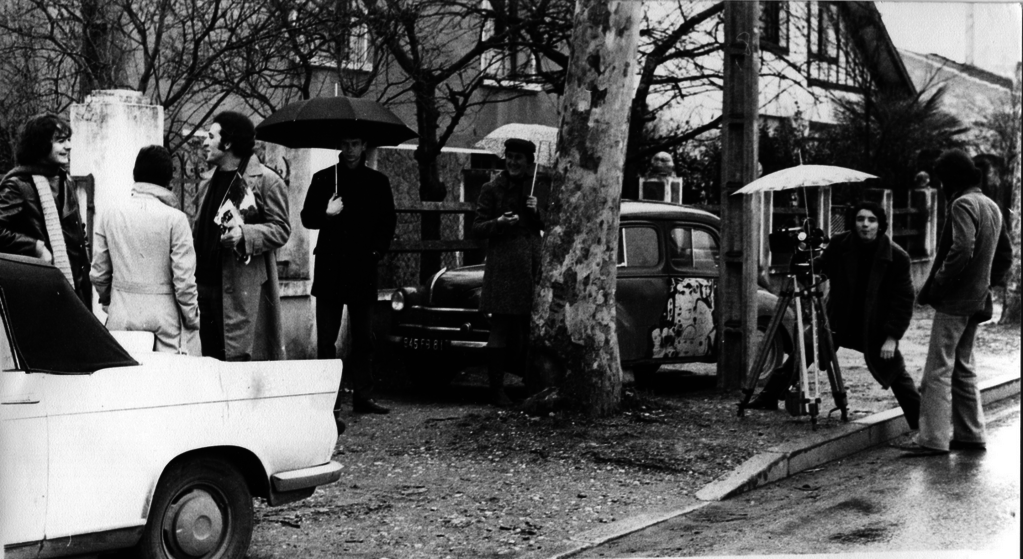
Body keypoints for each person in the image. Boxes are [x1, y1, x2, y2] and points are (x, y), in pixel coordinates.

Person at [749, 201, 921, 431]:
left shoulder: (897, 256)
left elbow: (904, 300)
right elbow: (820, 268)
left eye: (871, 220)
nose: (865, 225)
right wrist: (803, 259)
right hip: (838, 321)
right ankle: (769, 396)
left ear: (880, 225)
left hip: (874, 326)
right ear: (854, 222)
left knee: (895, 370)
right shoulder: (841, 243)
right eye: (860, 219)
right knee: (805, 349)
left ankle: (922, 425)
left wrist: (892, 337)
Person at [896, 149, 1012, 455]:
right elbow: (1005, 256)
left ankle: (932, 439)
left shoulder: (962, 203)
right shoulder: (991, 205)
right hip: (977, 300)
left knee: (936, 370)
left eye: (943, 178)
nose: (941, 184)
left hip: (956, 301)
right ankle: (971, 434)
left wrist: (939, 284)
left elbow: (962, 248)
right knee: (963, 367)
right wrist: (984, 283)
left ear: (952, 178)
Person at [301, 135, 396, 415]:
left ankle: (363, 396)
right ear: (338, 147)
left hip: (363, 268)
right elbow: (307, 217)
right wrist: (327, 213)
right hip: (331, 267)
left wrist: (377, 251)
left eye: (355, 144)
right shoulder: (323, 179)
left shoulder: (378, 182)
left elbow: (387, 220)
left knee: (364, 337)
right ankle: (327, 399)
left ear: (364, 145)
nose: (350, 150)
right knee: (327, 338)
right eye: (345, 144)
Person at [193, 111, 290, 361]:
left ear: (227, 143)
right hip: (203, 287)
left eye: (211, 136)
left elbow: (281, 229)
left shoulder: (267, 181)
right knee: (209, 364)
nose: (204, 141)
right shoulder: (206, 182)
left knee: (238, 363)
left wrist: (243, 234)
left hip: (239, 290)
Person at [90, 145, 201, 355]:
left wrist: (108, 301)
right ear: (169, 179)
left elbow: (98, 272)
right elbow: (184, 280)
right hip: (165, 317)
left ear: (135, 174)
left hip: (121, 312)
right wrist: (191, 317)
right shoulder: (176, 219)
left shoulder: (110, 214)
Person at [472, 138, 545, 407]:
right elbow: (478, 227)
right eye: (510, 156)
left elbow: (551, 222)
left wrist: (537, 212)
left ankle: (531, 385)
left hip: (531, 264)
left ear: (529, 162)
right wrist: (499, 223)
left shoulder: (537, 187)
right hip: (503, 265)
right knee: (500, 326)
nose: (513, 162)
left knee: (530, 327)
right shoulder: (491, 188)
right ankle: (496, 390)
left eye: (519, 158)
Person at [0, 113, 91, 306]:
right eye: (60, 141)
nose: (68, 146)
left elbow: (77, 232)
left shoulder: (66, 181)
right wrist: (35, 247)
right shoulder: (18, 184)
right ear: (41, 145)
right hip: (38, 292)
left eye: (68, 139)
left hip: (75, 290)